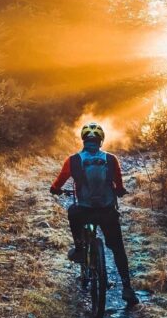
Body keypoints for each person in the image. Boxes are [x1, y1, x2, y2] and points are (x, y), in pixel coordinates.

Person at [49, 122, 140, 306]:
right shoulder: (111, 160)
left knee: (72, 212)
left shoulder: (73, 160)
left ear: (84, 140)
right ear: (101, 141)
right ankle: (127, 288)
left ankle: (80, 249)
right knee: (117, 248)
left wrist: (55, 189)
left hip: (83, 211)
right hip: (106, 211)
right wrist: (120, 191)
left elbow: (58, 183)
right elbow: (119, 185)